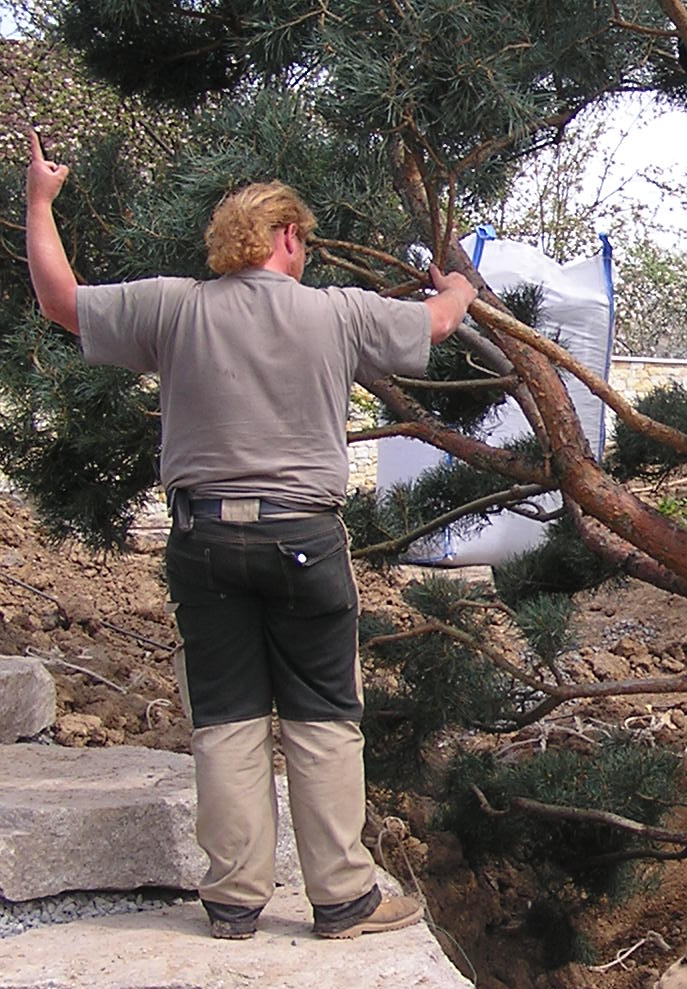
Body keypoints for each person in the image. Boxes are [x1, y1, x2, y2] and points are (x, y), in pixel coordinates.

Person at [24, 132, 476, 941]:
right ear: (288, 236)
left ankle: (234, 901)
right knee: (323, 713)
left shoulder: (172, 306)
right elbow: (438, 324)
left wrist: (39, 202)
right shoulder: (336, 313)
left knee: (226, 718)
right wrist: (460, 286)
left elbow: (59, 299)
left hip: (203, 544)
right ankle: (340, 897)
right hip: (303, 539)